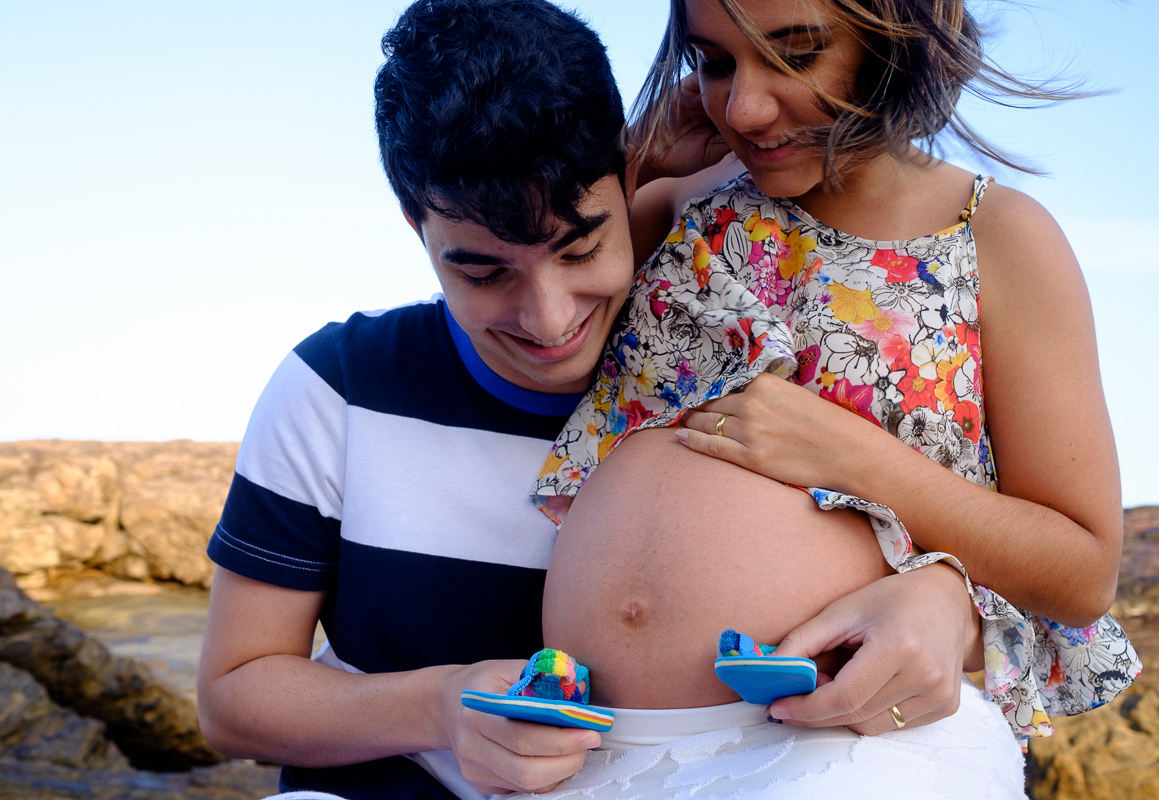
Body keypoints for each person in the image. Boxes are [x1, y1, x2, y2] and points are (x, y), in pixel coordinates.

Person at [198, 1, 1016, 798]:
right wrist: (437, 709)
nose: (548, 319)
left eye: (581, 246)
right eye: (483, 272)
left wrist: (952, 600)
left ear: (632, 177)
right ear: (417, 224)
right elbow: (233, 700)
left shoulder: (695, 339)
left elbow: (921, 506)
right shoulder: (337, 386)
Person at [521, 0, 1141, 796]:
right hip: (583, 747)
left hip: (840, 745)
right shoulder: (679, 197)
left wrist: (853, 458)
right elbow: (521, 303)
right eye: (714, 63)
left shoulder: (995, 235)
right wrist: (631, 160)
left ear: (897, 42)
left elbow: (1082, 570)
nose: (742, 107)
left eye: (796, 55)